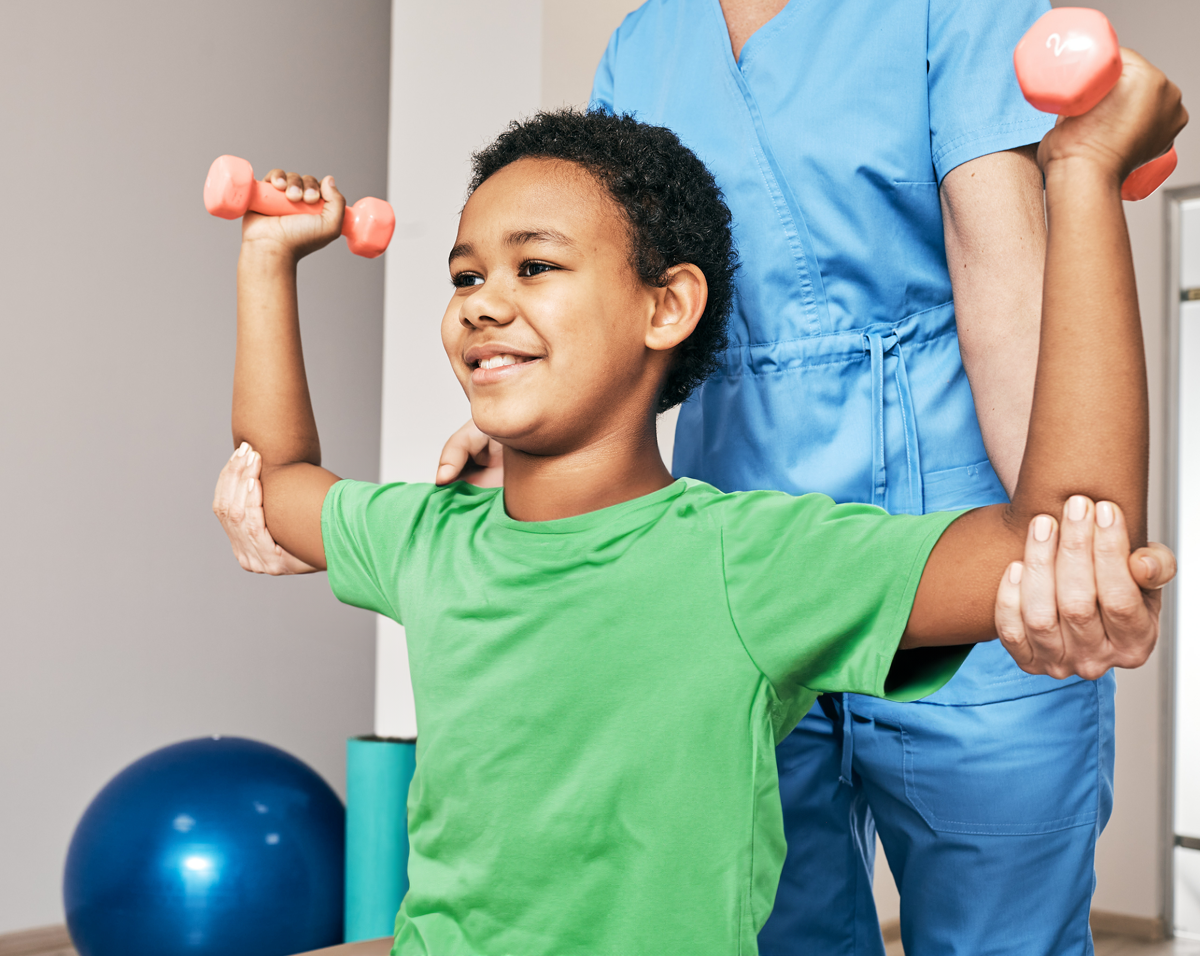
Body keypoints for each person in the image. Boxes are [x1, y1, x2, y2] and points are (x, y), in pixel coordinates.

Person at [215, 51, 1183, 953]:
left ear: (666, 306)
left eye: (534, 266)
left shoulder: (744, 562)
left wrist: (1085, 178)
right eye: (466, 274)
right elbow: (281, 478)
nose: (479, 300)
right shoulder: (429, 536)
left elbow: (1063, 531)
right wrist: (270, 255)